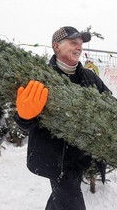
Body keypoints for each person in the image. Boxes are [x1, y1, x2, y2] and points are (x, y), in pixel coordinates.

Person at [14, 26, 110, 210]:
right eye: (73, 42)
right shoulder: (41, 77)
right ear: (57, 46)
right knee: (71, 203)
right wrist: (25, 116)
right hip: (56, 159)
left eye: (81, 44)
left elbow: (111, 105)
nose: (79, 47)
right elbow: (23, 120)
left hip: (80, 156)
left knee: (60, 199)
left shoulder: (89, 77)